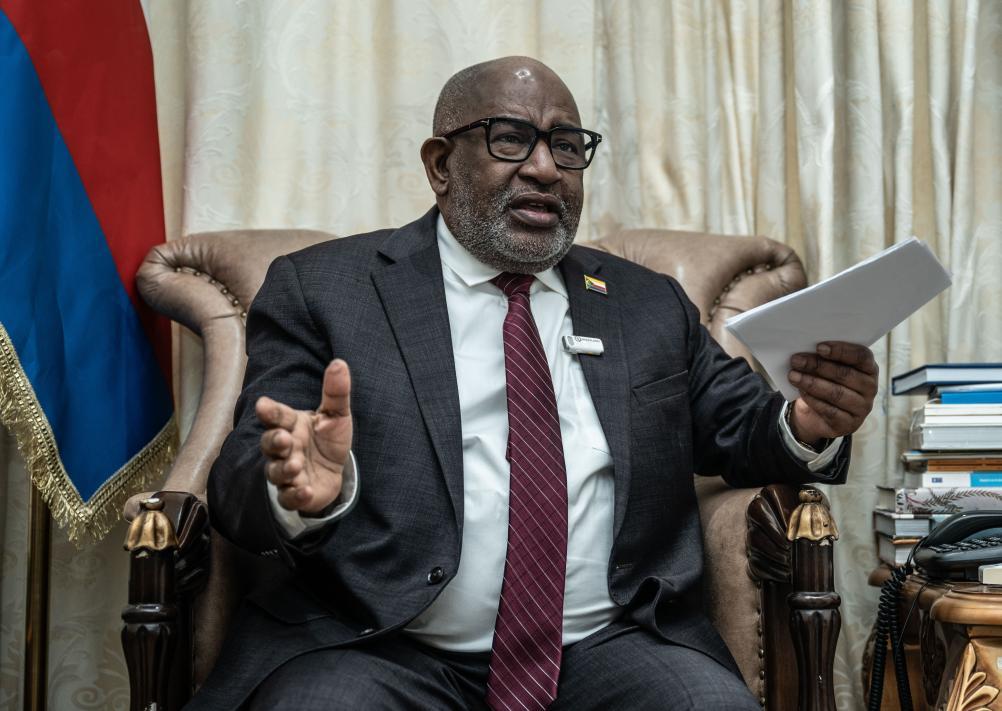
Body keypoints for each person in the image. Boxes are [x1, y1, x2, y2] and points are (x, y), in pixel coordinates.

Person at [189, 56, 878, 711]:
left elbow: (742, 426)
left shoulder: (645, 303)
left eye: (567, 146)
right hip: (378, 642)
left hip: (607, 643)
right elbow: (241, 481)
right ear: (440, 164)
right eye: (511, 139)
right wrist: (299, 492)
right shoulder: (326, 289)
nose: (545, 168)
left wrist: (809, 423)